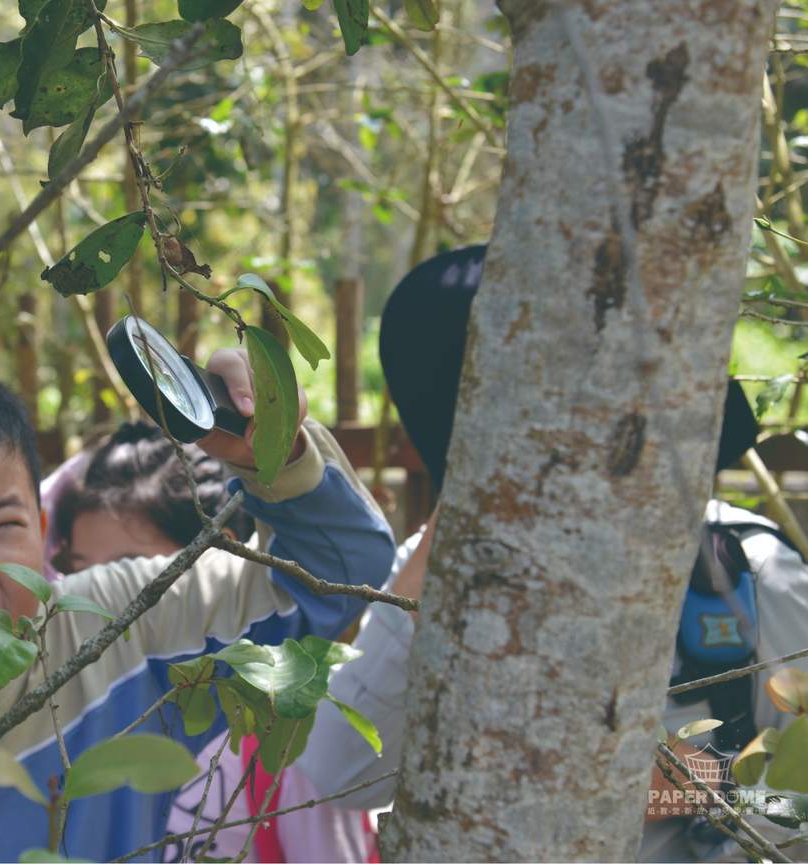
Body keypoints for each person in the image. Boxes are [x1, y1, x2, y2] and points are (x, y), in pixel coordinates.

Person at [0, 349, 395, 862]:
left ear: (41, 530)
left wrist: (272, 449)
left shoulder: (127, 624)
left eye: (2, 525)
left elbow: (336, 573)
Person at [296, 245, 808, 861]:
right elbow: (338, 773)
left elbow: (798, 805)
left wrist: (707, 789)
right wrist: (442, 550)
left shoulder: (745, 570)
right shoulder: (441, 572)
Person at [46, 421, 375, 863]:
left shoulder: (283, 738)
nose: (99, 604)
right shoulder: (71, 727)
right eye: (79, 573)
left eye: (128, 572)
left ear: (218, 567)